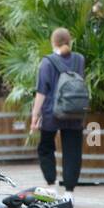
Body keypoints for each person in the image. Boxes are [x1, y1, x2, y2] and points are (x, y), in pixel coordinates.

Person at [31, 27, 85, 193]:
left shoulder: (47, 62)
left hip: (51, 113)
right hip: (75, 111)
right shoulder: (79, 60)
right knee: (73, 151)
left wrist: (34, 116)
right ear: (69, 41)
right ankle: (69, 193)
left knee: (45, 148)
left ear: (53, 42)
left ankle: (51, 185)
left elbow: (41, 92)